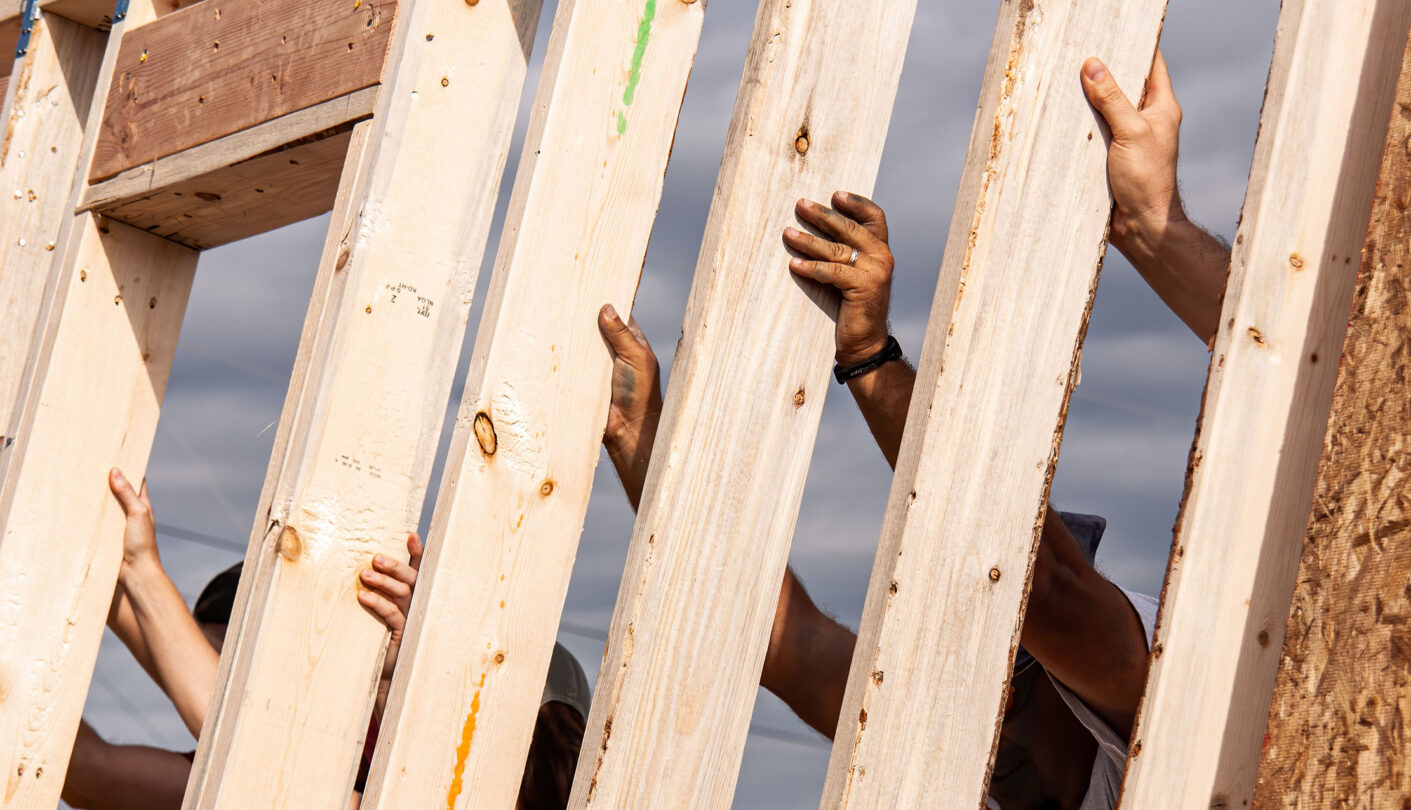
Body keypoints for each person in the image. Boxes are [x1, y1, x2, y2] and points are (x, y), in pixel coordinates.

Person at [594, 52, 1232, 810]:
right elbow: (781, 645)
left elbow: (1036, 589)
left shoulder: (1163, 729)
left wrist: (870, 360)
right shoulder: (955, 753)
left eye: (1016, 681)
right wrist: (643, 448)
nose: (992, 722)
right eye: (971, 682)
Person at [62, 469, 592, 810]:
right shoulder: (322, 748)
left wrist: (138, 570)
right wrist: (101, 568)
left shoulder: (415, 777)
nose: (247, 678)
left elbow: (257, 754)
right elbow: (92, 774)